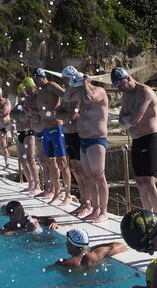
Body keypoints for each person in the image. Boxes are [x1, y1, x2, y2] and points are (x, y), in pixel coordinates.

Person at [113, 66, 157, 212]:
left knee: (148, 182)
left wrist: (127, 120)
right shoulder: (126, 95)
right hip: (136, 140)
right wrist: (127, 121)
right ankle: (148, 214)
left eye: (121, 84)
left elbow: (133, 120)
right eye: (117, 86)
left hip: (149, 138)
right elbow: (121, 122)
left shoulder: (144, 92)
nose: (120, 88)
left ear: (128, 78)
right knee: (139, 182)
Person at [67, 66, 109, 223]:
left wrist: (85, 82)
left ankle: (104, 211)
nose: (76, 90)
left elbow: (89, 98)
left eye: (77, 86)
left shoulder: (98, 91)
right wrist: (73, 85)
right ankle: (95, 209)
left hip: (97, 140)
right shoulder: (81, 94)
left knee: (99, 176)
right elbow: (66, 97)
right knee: (90, 177)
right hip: (84, 140)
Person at [33, 67, 72, 206]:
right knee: (50, 162)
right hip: (46, 130)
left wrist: (65, 111)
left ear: (44, 77)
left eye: (38, 79)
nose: (36, 82)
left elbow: (67, 96)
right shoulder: (39, 90)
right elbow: (43, 108)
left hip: (57, 127)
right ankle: (57, 191)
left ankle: (68, 194)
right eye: (34, 79)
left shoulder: (51, 86)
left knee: (62, 162)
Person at [62, 80, 89, 217]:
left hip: (78, 135)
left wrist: (69, 115)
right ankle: (83, 202)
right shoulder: (67, 96)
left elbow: (74, 114)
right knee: (76, 171)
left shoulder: (82, 96)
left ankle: (88, 204)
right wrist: (68, 116)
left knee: (83, 172)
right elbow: (59, 114)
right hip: (68, 135)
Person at [50, 227, 128, 270]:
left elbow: (46, 270)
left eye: (67, 241)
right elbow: (122, 246)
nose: (66, 243)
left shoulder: (63, 263)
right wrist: (96, 247)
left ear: (73, 245)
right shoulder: (95, 256)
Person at [14, 78, 42, 194]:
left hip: (29, 132)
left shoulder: (32, 101)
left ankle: (37, 185)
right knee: (22, 159)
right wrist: (21, 116)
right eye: (20, 93)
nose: (22, 95)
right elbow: (12, 114)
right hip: (20, 132)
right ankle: (30, 183)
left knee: (30, 159)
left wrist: (24, 116)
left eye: (23, 93)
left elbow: (35, 115)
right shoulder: (21, 103)